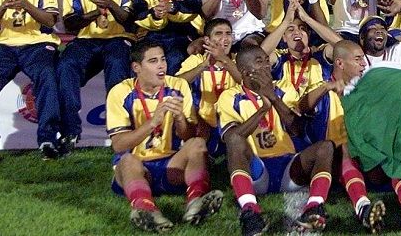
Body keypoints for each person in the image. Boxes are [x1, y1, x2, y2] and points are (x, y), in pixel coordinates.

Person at [106, 40, 223, 233]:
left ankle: (195, 203)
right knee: (127, 161)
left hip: (172, 166)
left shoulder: (178, 85)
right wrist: (151, 123)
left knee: (197, 144)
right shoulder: (120, 92)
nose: (161, 65)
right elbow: (118, 145)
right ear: (136, 67)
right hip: (138, 170)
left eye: (163, 59)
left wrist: (180, 120)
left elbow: (189, 135)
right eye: (153, 61)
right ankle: (147, 209)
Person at [218, 45, 335, 233]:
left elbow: (297, 129)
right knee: (235, 141)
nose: (266, 66)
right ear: (245, 71)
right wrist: (263, 109)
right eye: (259, 62)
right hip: (257, 170)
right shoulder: (230, 97)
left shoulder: (284, 88)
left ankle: (314, 207)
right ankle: (250, 211)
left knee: (326, 147)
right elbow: (232, 137)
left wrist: (273, 98)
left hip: (288, 167)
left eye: (266, 61)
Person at [298, 40, 389, 232]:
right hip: (332, 161)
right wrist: (326, 88)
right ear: (340, 63)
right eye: (358, 59)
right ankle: (363, 207)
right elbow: (302, 107)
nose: (364, 64)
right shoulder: (325, 89)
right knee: (346, 147)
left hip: (366, 158)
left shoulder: (368, 90)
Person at [57, 0, 135, 154]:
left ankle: (119, 128)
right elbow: (69, 25)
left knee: (117, 66)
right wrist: (93, 13)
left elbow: (129, 20)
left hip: (118, 38)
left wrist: (110, 4)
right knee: (66, 65)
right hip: (86, 40)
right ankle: (70, 131)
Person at [0, 0, 62, 159]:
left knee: (47, 74)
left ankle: (47, 139)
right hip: (4, 45)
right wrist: (3, 7)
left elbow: (50, 21)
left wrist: (26, 5)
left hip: (37, 43)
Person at [260, 0, 342, 109]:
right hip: (287, 117)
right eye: (290, 29)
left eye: (302, 28)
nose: (297, 32)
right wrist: (286, 22)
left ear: (308, 34)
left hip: (319, 116)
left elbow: (344, 46)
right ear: (283, 37)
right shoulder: (279, 58)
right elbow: (257, 56)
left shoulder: (320, 55)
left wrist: (307, 18)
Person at [176, 18, 241, 156]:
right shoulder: (197, 60)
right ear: (207, 40)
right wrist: (203, 66)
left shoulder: (237, 60)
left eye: (228, 34)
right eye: (218, 34)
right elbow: (176, 84)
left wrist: (224, 59)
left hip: (232, 121)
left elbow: (247, 84)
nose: (225, 38)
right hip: (203, 121)